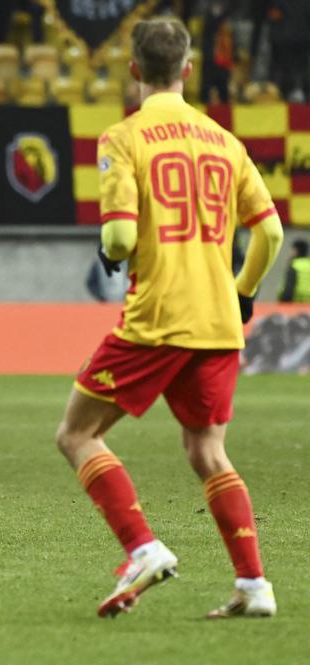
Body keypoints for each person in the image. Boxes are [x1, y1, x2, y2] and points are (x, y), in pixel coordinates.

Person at [56, 18, 284, 619]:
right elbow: (271, 232)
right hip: (218, 319)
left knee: (77, 435)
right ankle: (254, 586)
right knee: (209, 451)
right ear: (188, 70)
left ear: (133, 71)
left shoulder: (124, 138)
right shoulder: (226, 142)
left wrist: (110, 247)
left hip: (159, 315)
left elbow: (122, 236)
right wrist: (244, 290)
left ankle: (142, 548)